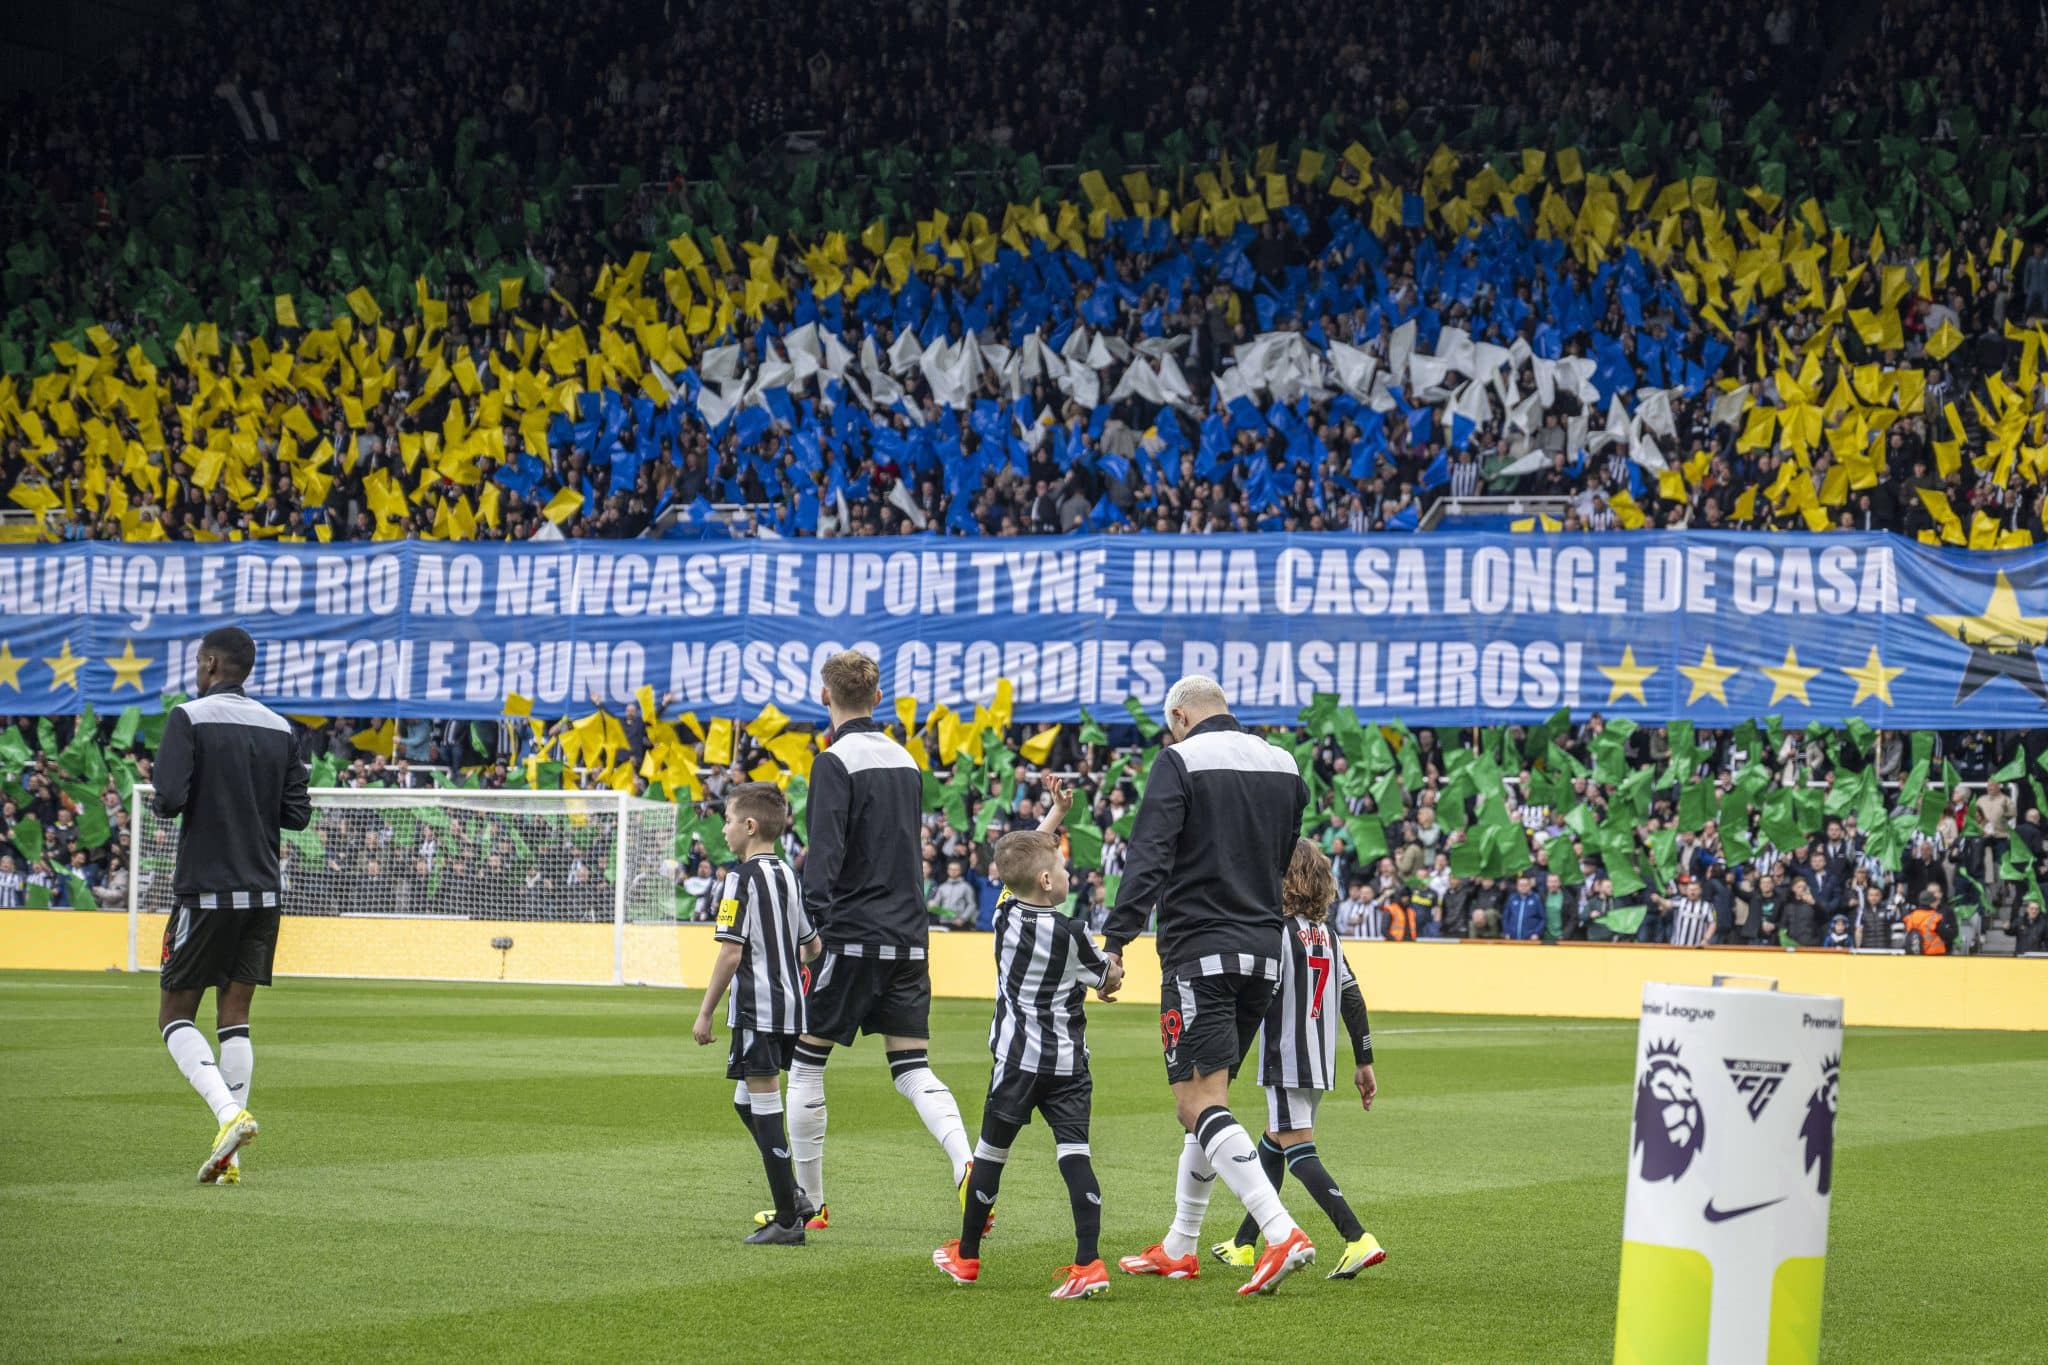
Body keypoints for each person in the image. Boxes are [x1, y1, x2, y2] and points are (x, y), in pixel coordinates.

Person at [1102, 675, 1318, 1296]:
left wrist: (1116, 941)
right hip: (1263, 951)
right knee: (1211, 1101)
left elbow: (1149, 856)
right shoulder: (1283, 763)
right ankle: (1181, 1245)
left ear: (1179, 715)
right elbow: (1284, 856)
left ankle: (1280, 1234)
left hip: (1201, 949)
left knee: (1194, 1103)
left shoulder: (1180, 760)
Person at [789, 650, 972, 1230]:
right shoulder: (906, 759)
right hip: (909, 936)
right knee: (913, 1067)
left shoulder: (833, 761)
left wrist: (808, 930)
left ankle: (809, 1203)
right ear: (877, 696)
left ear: (826, 696)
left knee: (807, 1063)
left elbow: (826, 855)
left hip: (849, 934)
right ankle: (966, 1161)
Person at [932, 776, 1125, 1301]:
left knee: (991, 1154)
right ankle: (1089, 1262)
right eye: (1061, 868)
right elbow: (1108, 977)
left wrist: (1054, 816)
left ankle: (967, 1256)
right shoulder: (1075, 933)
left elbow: (1018, 866)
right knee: (1075, 1153)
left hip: (1016, 1060)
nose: (1067, 872)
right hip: (1067, 1062)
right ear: (1046, 880)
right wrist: (1108, 978)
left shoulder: (1004, 915)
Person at [151, 626, 312, 1184]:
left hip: (209, 888)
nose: (198, 670)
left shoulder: (187, 717)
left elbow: (168, 801)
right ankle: (231, 1158)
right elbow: (297, 815)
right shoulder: (279, 728)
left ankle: (229, 1114)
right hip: (265, 891)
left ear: (213, 662)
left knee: (175, 1014)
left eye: (200, 661)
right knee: (235, 1019)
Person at [1211, 839, 1385, 1281]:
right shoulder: (1329, 935)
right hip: (1319, 1059)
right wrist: (1364, 1060)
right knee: (1274, 1140)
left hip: (1286, 1057)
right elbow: (1352, 996)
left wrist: (1228, 1052)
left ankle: (1357, 1237)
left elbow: (1259, 996)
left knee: (1298, 1151)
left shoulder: (1277, 932)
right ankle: (1244, 1243)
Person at [691, 783, 821, 1244]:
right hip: (789, 1010)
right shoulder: (789, 874)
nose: (723, 829)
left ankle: (788, 1218)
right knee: (746, 1101)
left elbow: (730, 953)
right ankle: (795, 1195)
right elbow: (812, 947)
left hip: (755, 1009)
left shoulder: (738, 879)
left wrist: (705, 1012)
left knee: (763, 1105)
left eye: (727, 820)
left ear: (749, 826)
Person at [1902, 885, 1957, 956]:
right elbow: (1949, 935)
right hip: (1934, 955)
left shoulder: (1911, 917)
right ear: (1931, 903)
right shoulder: (1934, 917)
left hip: (1915, 956)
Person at [1501, 873, 1545, 941]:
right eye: (1521, 885)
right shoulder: (1512, 899)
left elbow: (1543, 919)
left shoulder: (1536, 899)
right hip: (1512, 939)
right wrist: (1507, 932)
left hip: (1530, 940)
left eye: (1525, 885)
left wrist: (1537, 933)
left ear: (1530, 886)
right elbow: (1505, 918)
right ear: (1517, 886)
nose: (1523, 887)